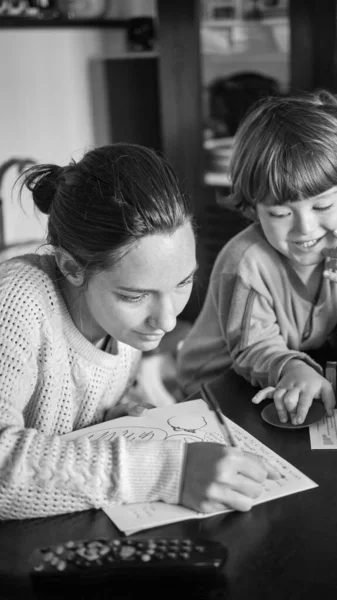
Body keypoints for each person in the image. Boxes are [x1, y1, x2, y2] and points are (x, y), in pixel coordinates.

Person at [0, 143, 279, 520]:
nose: (166, 322)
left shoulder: (123, 323)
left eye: (182, 283)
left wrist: (110, 417)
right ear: (71, 267)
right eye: (135, 296)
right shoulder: (16, 302)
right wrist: (167, 472)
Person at [176, 91, 337, 426]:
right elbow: (252, 350)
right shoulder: (246, 261)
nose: (304, 227)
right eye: (280, 213)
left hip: (294, 378)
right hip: (219, 386)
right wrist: (294, 369)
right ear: (253, 209)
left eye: (322, 206)